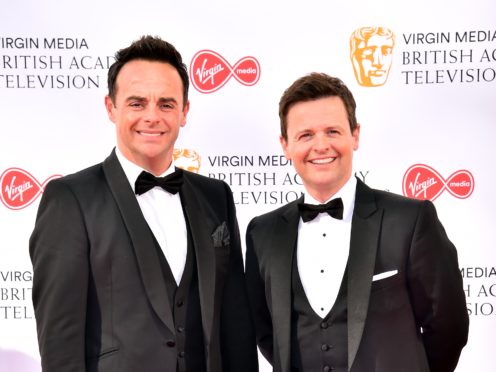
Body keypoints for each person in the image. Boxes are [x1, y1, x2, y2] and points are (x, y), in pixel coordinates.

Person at [29, 35, 258, 372]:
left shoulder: (216, 196)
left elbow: (235, 322)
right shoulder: (71, 199)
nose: (152, 116)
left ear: (184, 112)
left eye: (166, 104)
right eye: (137, 103)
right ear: (111, 108)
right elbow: (60, 341)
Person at [245, 72, 468, 372]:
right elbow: (265, 331)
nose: (320, 145)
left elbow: (448, 326)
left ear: (355, 135)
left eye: (332, 131)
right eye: (305, 135)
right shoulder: (263, 233)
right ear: (285, 145)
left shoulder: (410, 220)